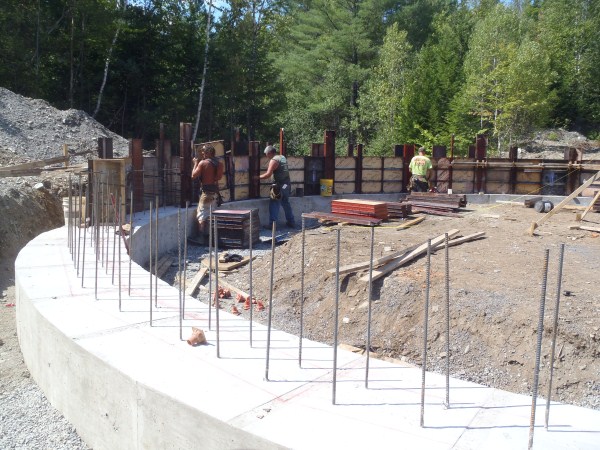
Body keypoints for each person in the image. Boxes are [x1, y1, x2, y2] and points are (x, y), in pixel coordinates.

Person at [191, 144, 224, 244]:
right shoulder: (219, 163)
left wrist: (195, 163)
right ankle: (210, 236)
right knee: (210, 214)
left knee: (201, 215)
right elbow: (218, 178)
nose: (202, 153)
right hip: (215, 193)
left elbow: (193, 175)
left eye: (204, 151)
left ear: (209, 152)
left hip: (206, 194)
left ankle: (201, 238)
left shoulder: (203, 163)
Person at [259, 145, 296, 229]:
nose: (266, 156)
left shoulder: (274, 160)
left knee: (274, 203)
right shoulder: (282, 157)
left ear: (270, 153)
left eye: (266, 154)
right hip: (286, 184)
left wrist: (257, 177)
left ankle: (272, 225)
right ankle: (291, 222)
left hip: (278, 185)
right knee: (286, 203)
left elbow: (268, 174)